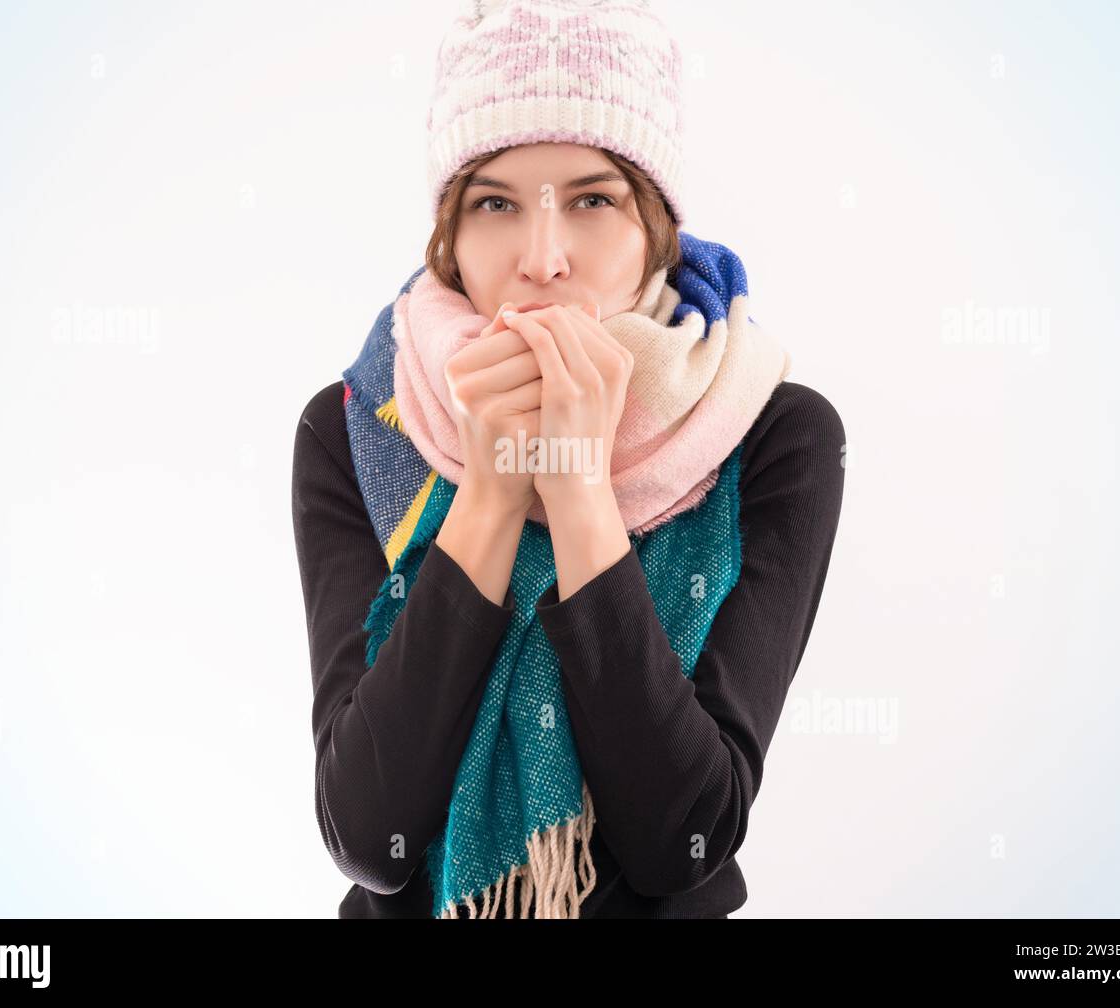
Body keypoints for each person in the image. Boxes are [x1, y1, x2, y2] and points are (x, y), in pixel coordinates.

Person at [291, 0, 845, 919]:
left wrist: (580, 489)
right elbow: (368, 834)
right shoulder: (363, 424)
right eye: (496, 203)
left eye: (592, 199)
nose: (543, 258)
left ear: (657, 224)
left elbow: (685, 842)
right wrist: (492, 493)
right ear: (449, 238)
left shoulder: (770, 432)